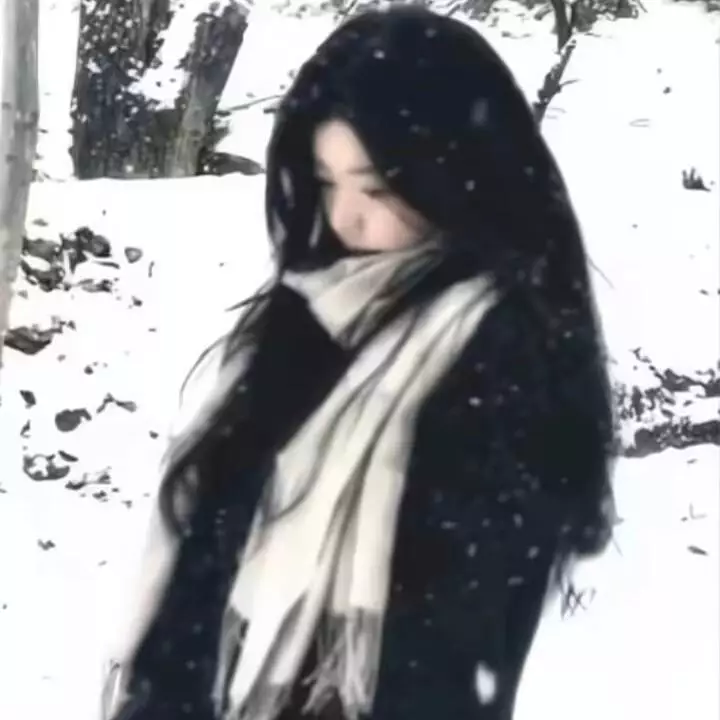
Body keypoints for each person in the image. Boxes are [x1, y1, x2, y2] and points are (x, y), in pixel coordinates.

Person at [101, 6, 617, 720]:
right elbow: (205, 552)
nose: (345, 219)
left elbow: (442, 654)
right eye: (325, 182)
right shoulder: (307, 314)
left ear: (455, 174)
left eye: (376, 189)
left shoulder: (500, 357)